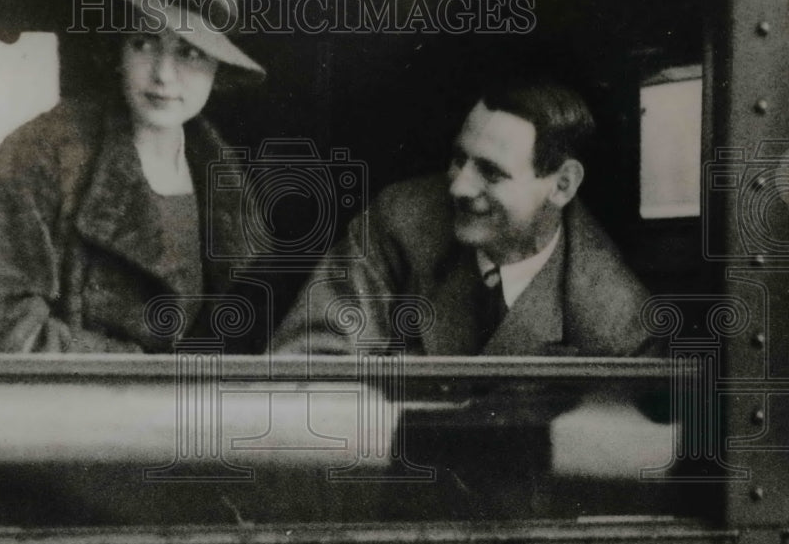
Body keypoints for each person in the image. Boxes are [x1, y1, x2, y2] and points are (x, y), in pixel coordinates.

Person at [0, 0, 267, 353]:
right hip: (73, 411)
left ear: (217, 68)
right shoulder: (40, 156)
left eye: (190, 53)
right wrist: (136, 376)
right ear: (119, 50)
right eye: (144, 43)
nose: (164, 75)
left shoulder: (224, 177)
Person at [272, 77, 653, 356]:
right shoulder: (402, 220)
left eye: (491, 171)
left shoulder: (616, 318)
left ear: (563, 185)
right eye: (459, 159)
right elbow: (306, 366)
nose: (458, 187)